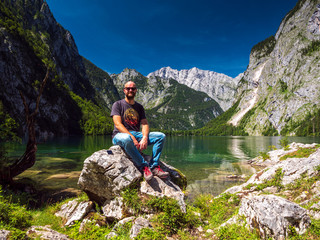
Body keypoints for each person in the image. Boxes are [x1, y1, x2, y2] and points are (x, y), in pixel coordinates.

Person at [110, 81, 169, 181]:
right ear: (124, 90)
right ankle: (144, 167)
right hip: (120, 135)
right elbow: (118, 124)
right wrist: (132, 138)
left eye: (133, 88)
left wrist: (145, 137)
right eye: (128, 88)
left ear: (136, 90)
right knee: (127, 138)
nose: (130, 90)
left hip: (137, 134)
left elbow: (145, 124)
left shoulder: (139, 107)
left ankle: (154, 166)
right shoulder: (118, 104)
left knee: (161, 136)